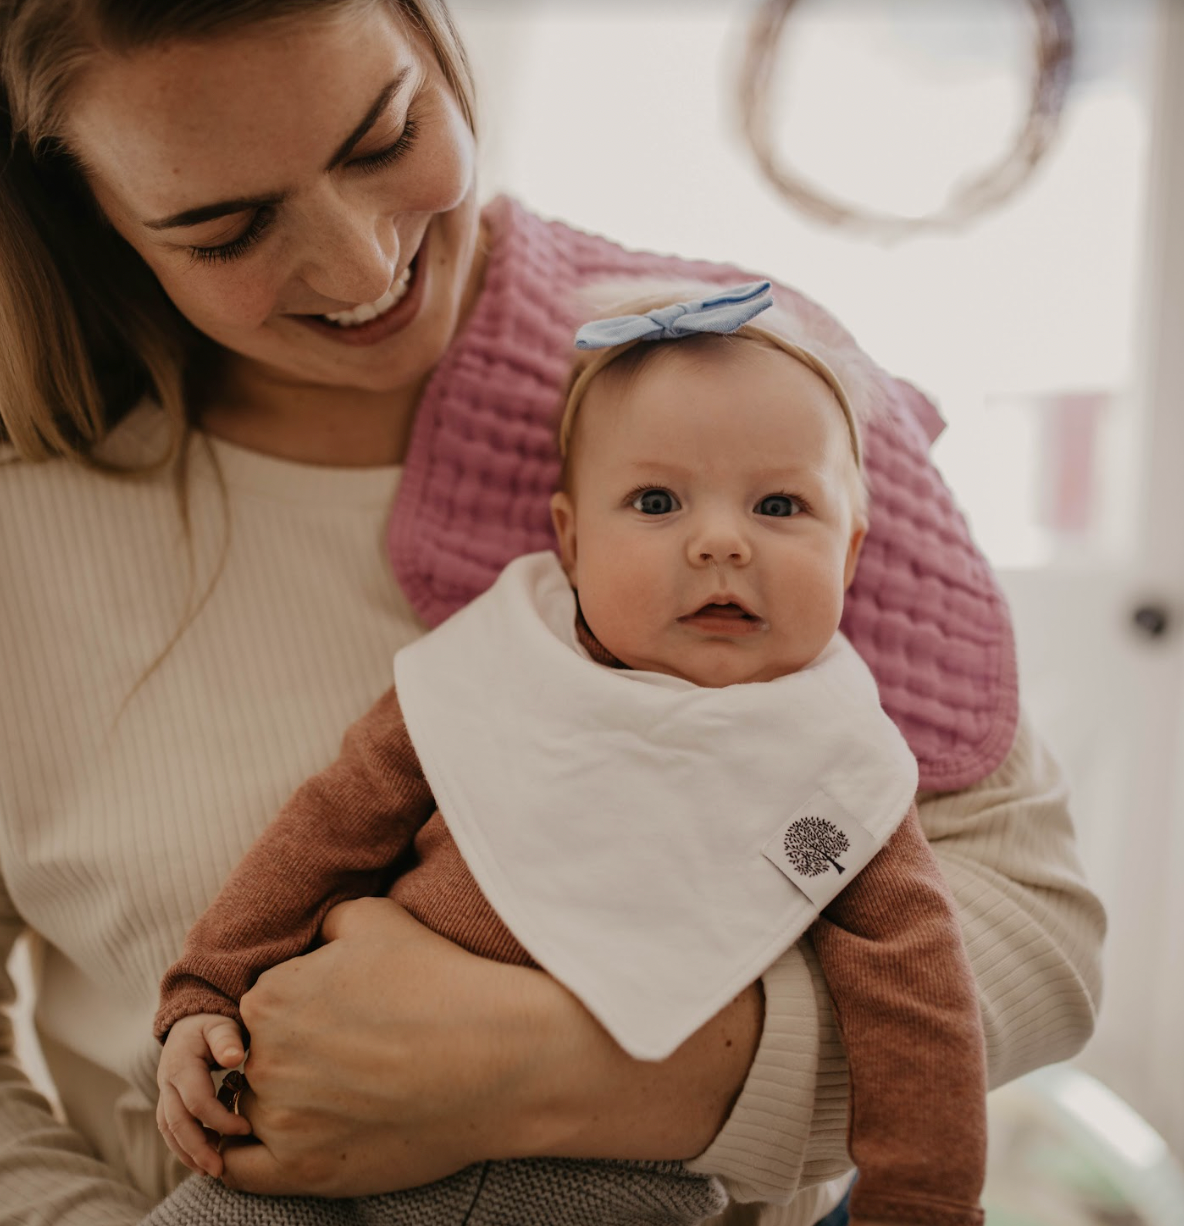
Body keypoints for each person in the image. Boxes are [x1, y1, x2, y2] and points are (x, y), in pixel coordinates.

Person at [0, 3, 1107, 1226]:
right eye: (224, 226)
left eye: (386, 132)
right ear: (83, 208)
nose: (363, 262)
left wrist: (581, 1079)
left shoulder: (731, 412)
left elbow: (1035, 937)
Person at [147, 281, 989, 1226]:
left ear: (852, 552)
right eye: (658, 500)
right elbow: (326, 830)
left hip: (612, 1181)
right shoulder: (504, 665)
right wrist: (206, 989)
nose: (720, 542)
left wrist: (922, 1201)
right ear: (571, 540)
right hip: (321, 1158)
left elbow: (918, 1001)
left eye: (782, 505)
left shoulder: (829, 766)